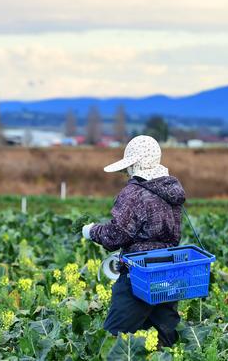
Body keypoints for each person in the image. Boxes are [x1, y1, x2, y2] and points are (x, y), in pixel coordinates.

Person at [81, 135, 185, 347]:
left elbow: (116, 235)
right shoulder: (172, 192)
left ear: (134, 165)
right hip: (168, 272)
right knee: (163, 341)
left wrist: (91, 231)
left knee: (113, 341)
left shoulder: (134, 193)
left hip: (139, 276)